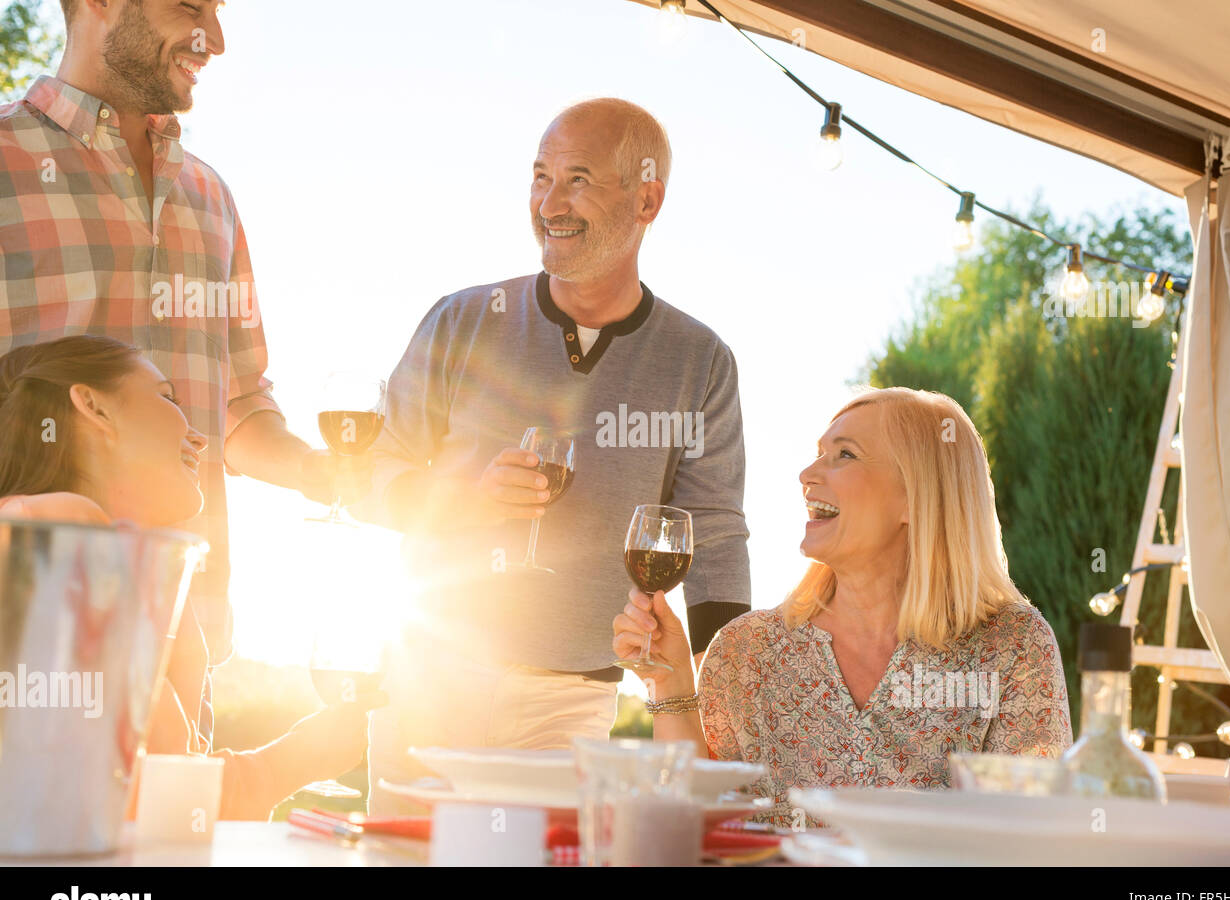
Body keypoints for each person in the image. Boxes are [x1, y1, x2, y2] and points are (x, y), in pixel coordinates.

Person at [358, 98, 751, 811]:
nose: (549, 202)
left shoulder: (701, 362)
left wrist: (724, 714)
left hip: (571, 702)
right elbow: (373, 477)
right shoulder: (462, 321)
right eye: (540, 177)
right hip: (430, 675)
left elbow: (716, 538)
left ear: (647, 198)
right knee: (403, 857)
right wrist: (464, 499)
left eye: (577, 179)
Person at [0, 0, 363, 678]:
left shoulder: (210, 197)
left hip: (185, 635)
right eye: (191, 7)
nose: (215, 40)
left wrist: (322, 474)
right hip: (27, 637)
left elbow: (241, 406)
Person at [613, 387, 1073, 826]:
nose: (807, 475)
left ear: (916, 495)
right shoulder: (745, 650)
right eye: (818, 453)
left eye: (845, 455)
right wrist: (669, 681)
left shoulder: (1012, 645)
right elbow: (695, 824)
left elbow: (1031, 837)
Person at [0, 335, 378, 820]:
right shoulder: (59, 530)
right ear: (92, 407)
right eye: (167, 397)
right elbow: (143, 806)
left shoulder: (70, 541)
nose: (200, 438)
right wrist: (295, 760)